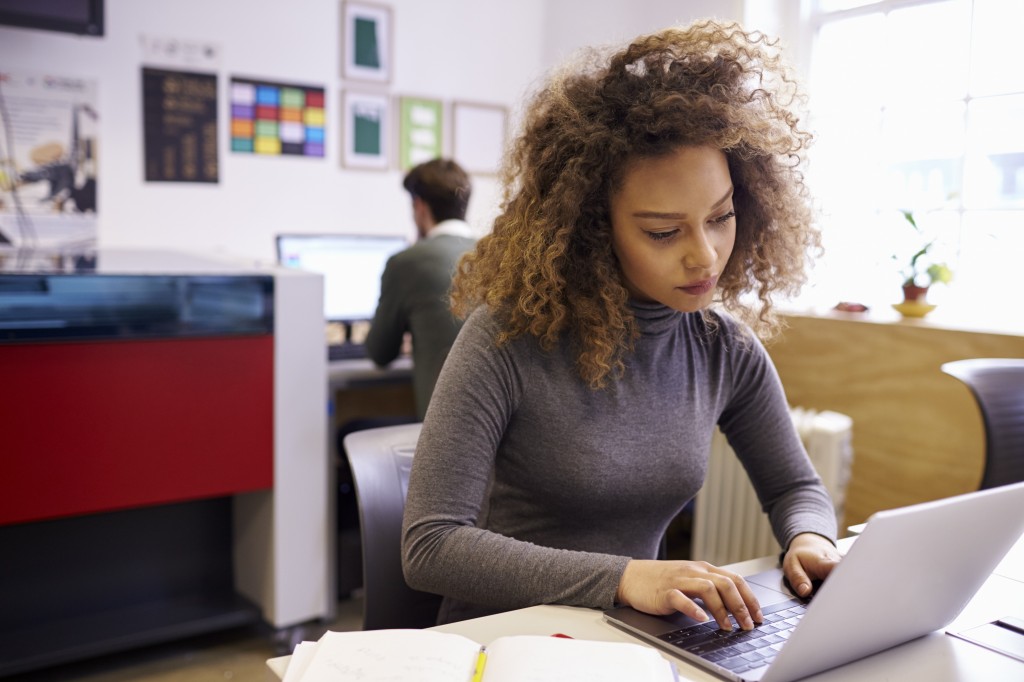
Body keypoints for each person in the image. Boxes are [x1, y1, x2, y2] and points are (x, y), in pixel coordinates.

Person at [401, 19, 842, 629]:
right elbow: (431, 546)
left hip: (631, 640)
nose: (705, 256)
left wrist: (810, 541)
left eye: (720, 218)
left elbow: (796, 487)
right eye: (664, 232)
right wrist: (626, 576)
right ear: (592, 228)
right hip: (503, 639)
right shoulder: (506, 339)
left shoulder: (723, 349)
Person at [364, 158, 476, 420]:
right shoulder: (499, 256)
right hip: (498, 434)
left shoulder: (407, 262)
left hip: (439, 435)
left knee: (350, 429)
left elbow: (379, 353)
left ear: (419, 207)